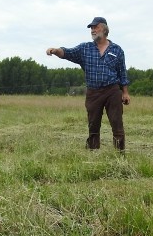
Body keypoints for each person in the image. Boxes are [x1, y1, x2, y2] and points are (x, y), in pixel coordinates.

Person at [47, 16, 131, 151]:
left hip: (112, 91)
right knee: (93, 125)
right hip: (93, 92)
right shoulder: (85, 48)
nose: (92, 30)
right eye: (91, 28)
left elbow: (122, 73)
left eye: (95, 27)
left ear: (104, 29)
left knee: (117, 124)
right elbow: (68, 53)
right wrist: (56, 51)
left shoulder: (117, 50)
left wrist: (125, 92)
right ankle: (93, 153)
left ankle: (119, 155)